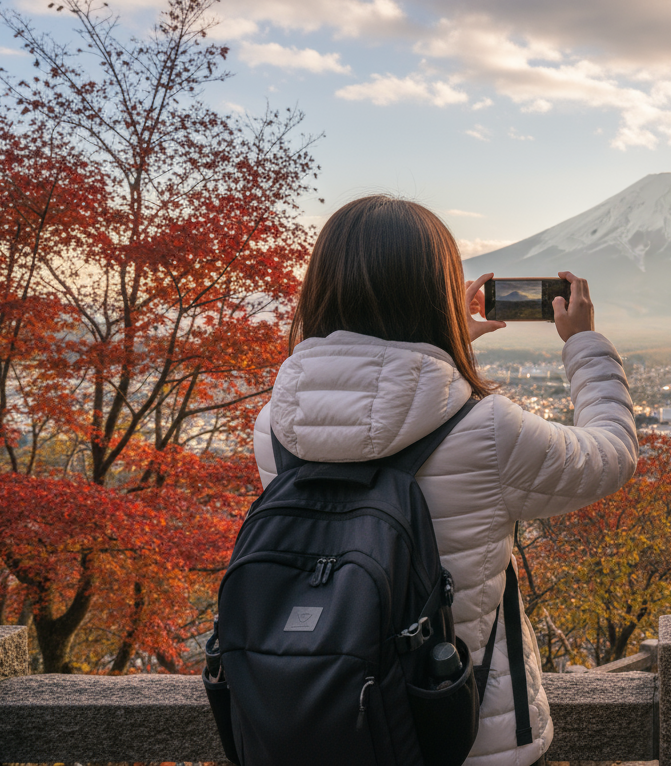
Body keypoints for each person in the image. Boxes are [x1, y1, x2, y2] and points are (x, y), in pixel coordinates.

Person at [253, 196, 638, 766]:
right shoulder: (486, 428)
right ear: (436, 292)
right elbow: (612, 454)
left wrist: (441, 349)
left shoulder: (275, 427)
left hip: (327, 724)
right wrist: (583, 343)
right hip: (468, 737)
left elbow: (374, 414)